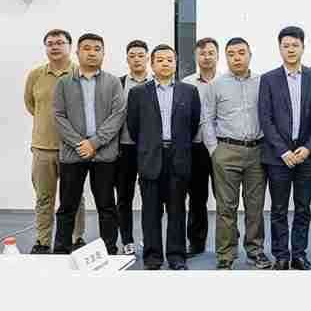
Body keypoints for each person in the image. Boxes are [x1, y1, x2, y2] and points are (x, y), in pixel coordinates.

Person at [127, 44, 201, 270]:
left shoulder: (189, 91)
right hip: (150, 158)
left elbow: (193, 124)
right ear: (152, 64)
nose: (165, 63)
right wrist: (150, 145)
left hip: (178, 158)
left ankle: (177, 256)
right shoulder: (138, 93)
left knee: (177, 210)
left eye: (170, 59)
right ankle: (152, 257)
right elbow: (134, 127)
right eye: (160, 60)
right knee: (150, 212)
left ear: (176, 63)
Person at [52, 33, 125, 256]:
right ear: (77, 52)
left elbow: (118, 115)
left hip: (104, 155)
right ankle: (61, 251)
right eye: (86, 48)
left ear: (103, 53)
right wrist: (79, 143)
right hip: (72, 155)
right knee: (67, 206)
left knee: (106, 206)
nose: (92, 52)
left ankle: (109, 251)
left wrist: (94, 143)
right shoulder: (64, 83)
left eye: (97, 48)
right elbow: (58, 116)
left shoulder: (113, 82)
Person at [259, 26, 311, 271]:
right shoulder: (269, 79)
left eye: (295, 45)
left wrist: (308, 148)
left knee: (303, 208)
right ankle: (281, 255)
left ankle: (298, 255)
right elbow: (265, 118)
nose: (290, 49)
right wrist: (282, 150)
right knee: (278, 209)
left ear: (303, 48)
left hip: (307, 155)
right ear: (279, 49)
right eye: (285, 45)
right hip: (279, 157)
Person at [202, 37, 271, 270]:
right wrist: (214, 150)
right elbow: (207, 119)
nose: (237, 58)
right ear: (226, 57)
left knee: (255, 206)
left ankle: (255, 250)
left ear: (250, 55)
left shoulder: (263, 82)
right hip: (226, 151)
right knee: (226, 207)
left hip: (257, 151)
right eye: (231, 54)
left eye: (241, 53)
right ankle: (226, 254)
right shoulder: (216, 85)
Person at [24, 29, 87, 254]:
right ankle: (42, 241)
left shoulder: (81, 73)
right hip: (43, 149)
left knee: (75, 198)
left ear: (70, 47)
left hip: (73, 148)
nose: (55, 47)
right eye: (50, 43)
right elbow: (31, 104)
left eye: (60, 42)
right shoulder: (36, 75)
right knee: (44, 198)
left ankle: (76, 238)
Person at [182, 37, 220, 258]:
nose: (206, 57)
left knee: (224, 198)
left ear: (217, 55)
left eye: (210, 53)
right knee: (197, 198)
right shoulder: (187, 83)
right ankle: (196, 243)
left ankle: (229, 242)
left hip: (221, 147)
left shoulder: (225, 81)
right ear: (196, 57)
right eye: (202, 53)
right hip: (195, 148)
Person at [116, 39, 151, 256]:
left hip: (150, 149)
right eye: (132, 56)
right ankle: (127, 240)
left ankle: (150, 239)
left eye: (140, 55)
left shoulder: (156, 82)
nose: (137, 59)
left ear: (147, 58)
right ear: (127, 59)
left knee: (151, 197)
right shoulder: (118, 84)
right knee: (124, 197)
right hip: (125, 148)